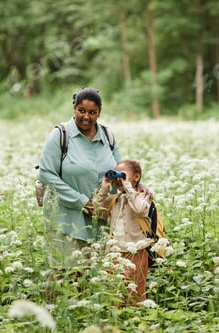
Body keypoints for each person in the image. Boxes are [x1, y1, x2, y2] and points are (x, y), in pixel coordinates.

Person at [37, 87, 150, 270]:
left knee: (94, 281)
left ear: (99, 113)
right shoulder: (60, 135)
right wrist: (83, 202)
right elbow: (46, 174)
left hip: (100, 222)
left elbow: (121, 168)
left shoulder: (107, 136)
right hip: (66, 221)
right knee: (64, 278)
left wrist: (140, 186)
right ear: (74, 108)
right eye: (81, 111)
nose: (86, 117)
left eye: (92, 112)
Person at [93, 159, 151, 304]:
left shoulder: (143, 196)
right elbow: (97, 211)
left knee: (135, 293)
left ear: (136, 177)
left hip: (136, 252)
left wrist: (129, 187)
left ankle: (136, 321)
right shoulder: (115, 199)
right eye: (116, 176)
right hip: (115, 253)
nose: (119, 179)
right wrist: (105, 186)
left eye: (123, 175)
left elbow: (140, 210)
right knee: (114, 292)